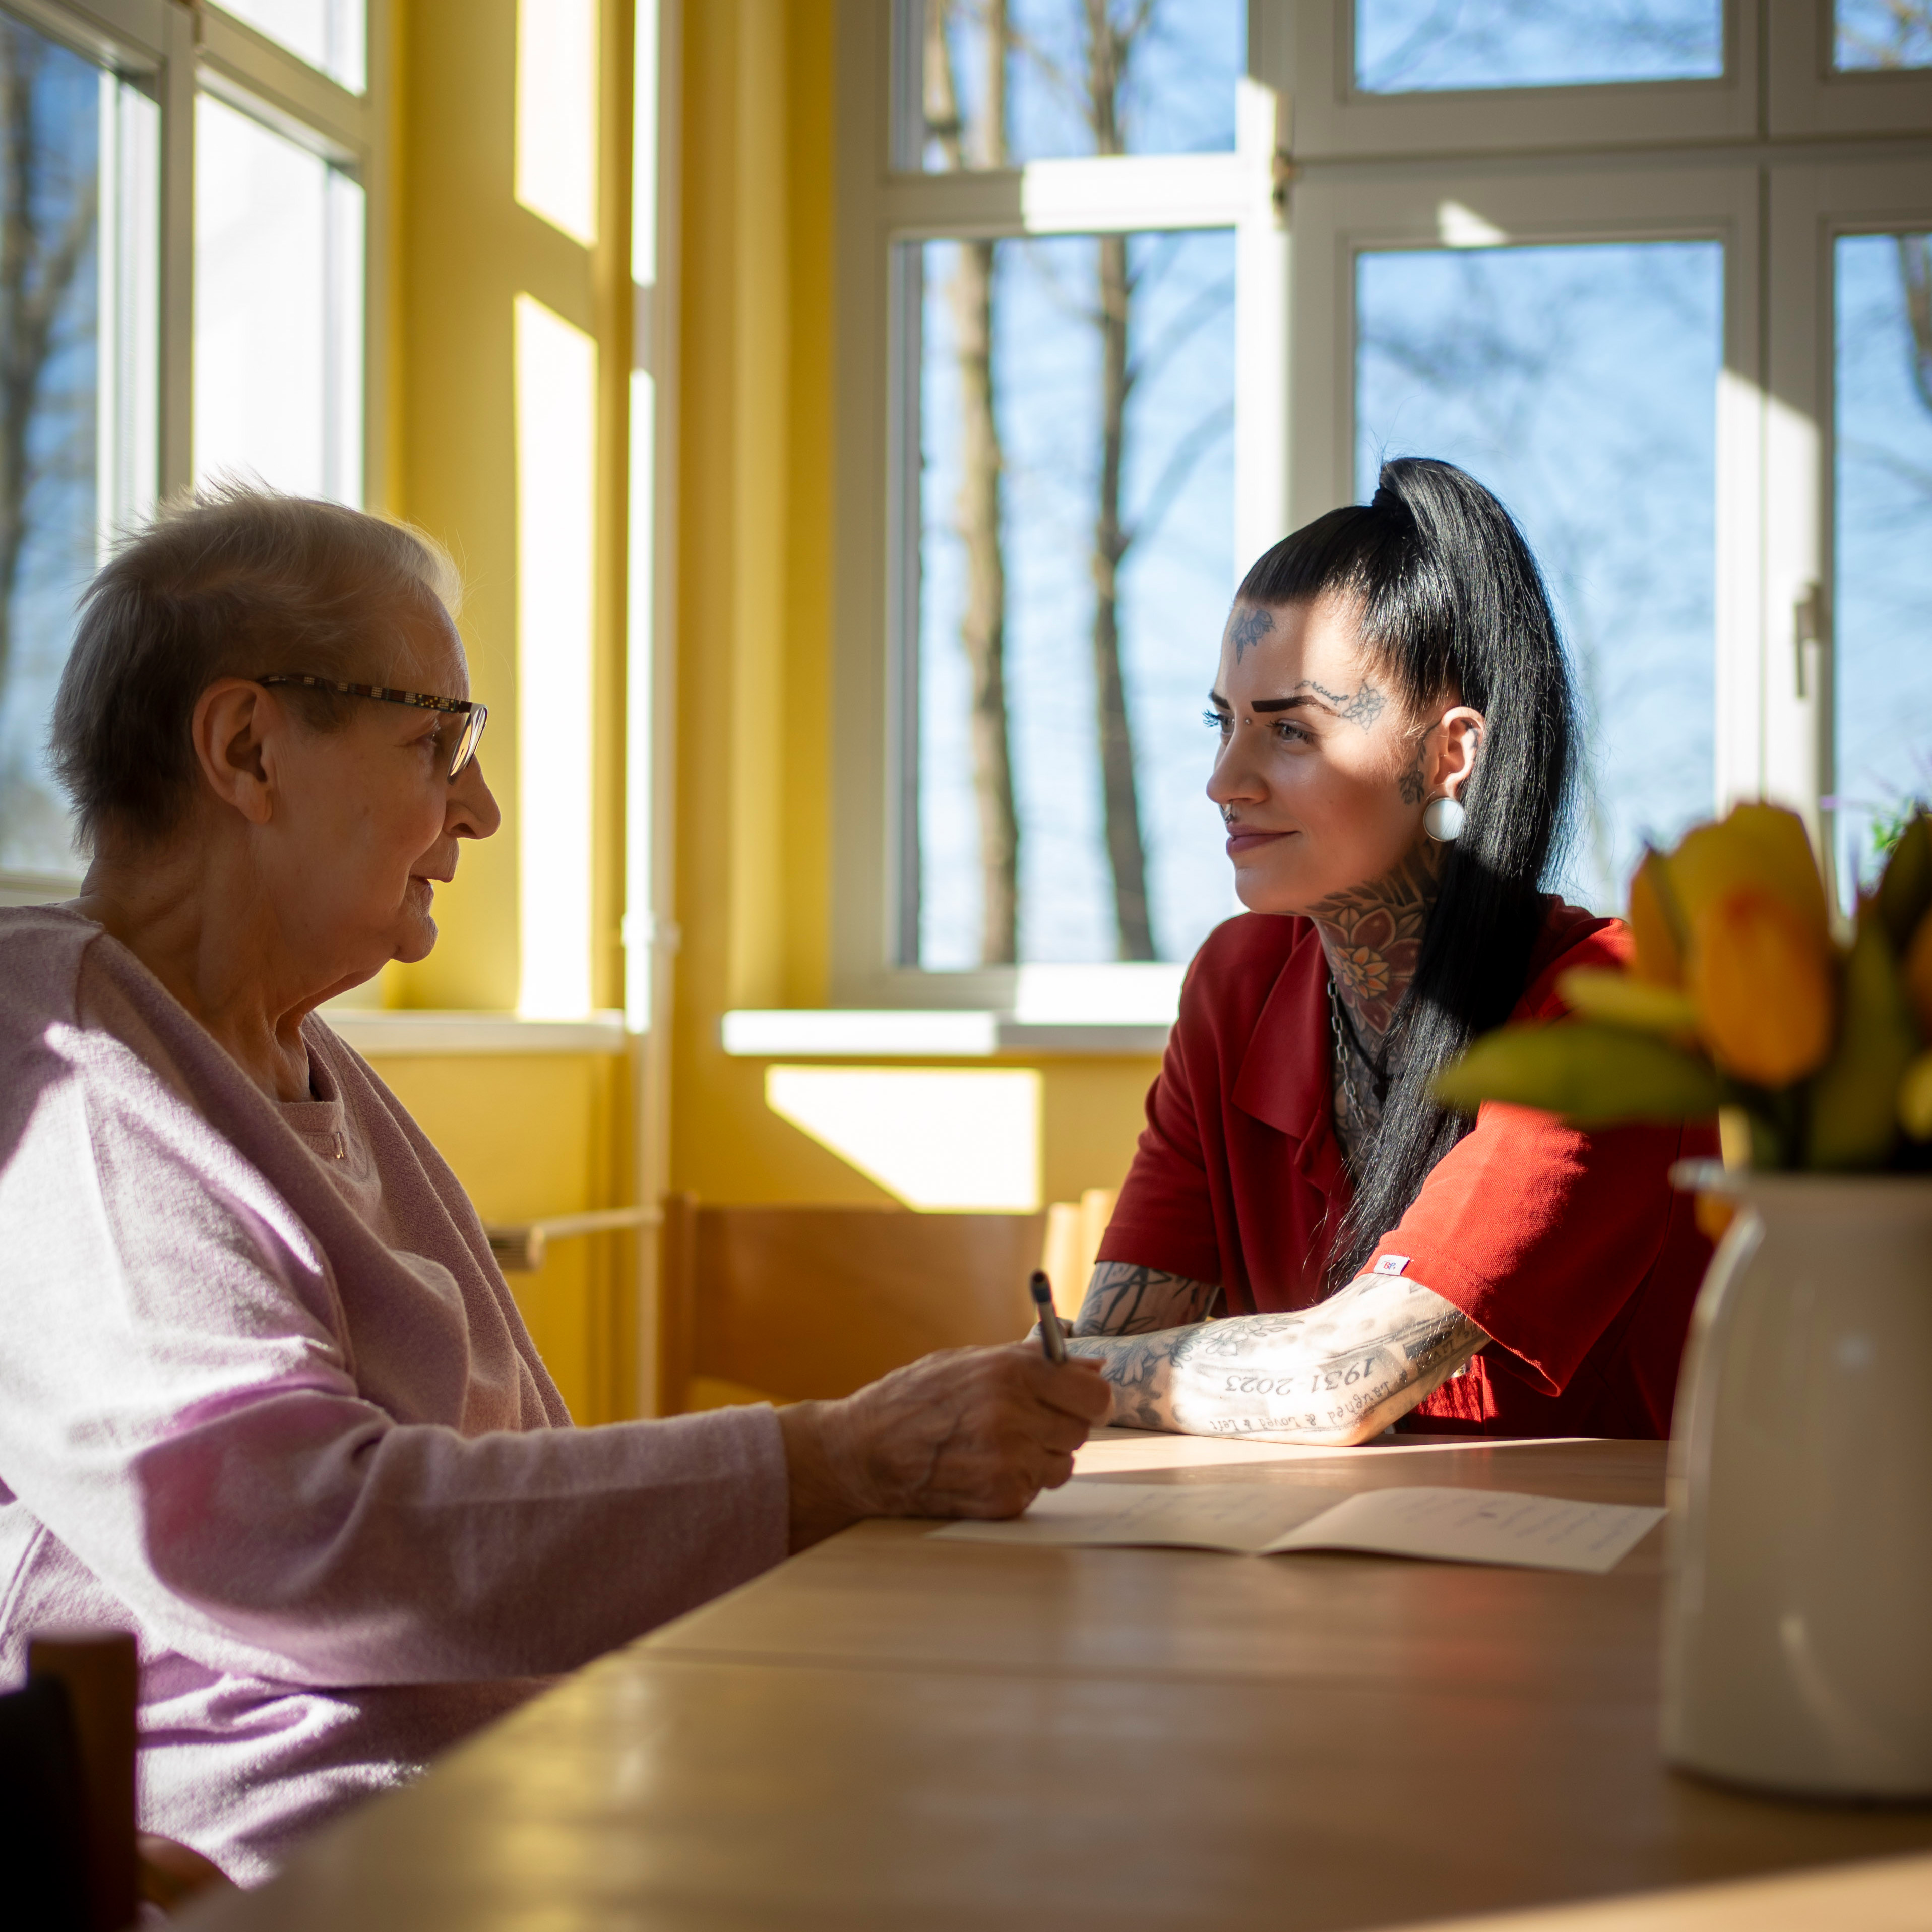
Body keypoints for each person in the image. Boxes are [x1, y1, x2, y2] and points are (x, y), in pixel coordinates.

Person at [0, 486, 1109, 1886]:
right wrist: (833, 1459)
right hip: (310, 1859)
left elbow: (500, 1516)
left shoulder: (290, 1056)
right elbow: (290, 1534)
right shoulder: (71, 1058)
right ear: (246, 748)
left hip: (511, 1800)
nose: (481, 807)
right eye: (434, 741)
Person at [1066, 458, 1716, 1443]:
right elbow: (1121, 1339)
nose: (1223, 781)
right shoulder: (1236, 985)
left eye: (1289, 732)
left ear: (1450, 752)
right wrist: (1081, 1372)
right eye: (1224, 722)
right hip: (1312, 1567)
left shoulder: (1610, 1007)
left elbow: (1341, 1381)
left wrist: (1060, 1373)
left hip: (1610, 1580)